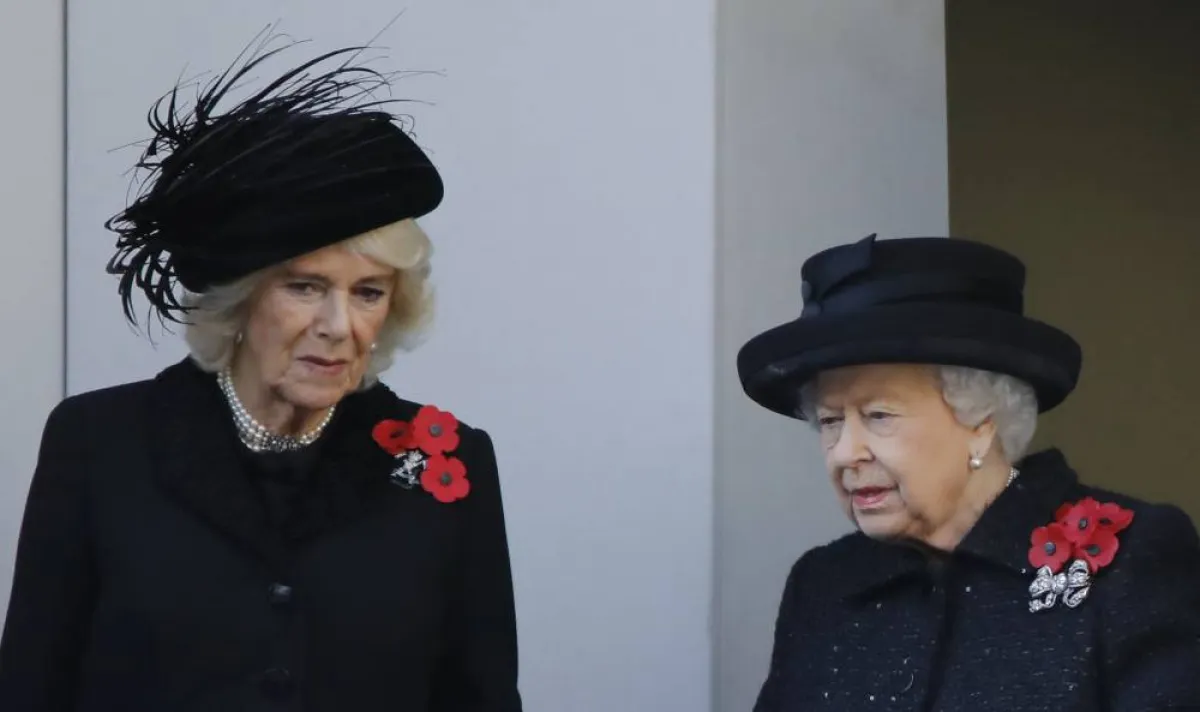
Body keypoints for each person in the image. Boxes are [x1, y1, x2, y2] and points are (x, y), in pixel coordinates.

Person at [0, 35, 522, 712]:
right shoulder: (99, 443)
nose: (339, 324)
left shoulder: (447, 461)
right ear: (240, 300)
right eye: (306, 287)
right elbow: (30, 687)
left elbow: (479, 699)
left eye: (368, 292)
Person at [737, 234, 1200, 710]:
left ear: (981, 421)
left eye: (879, 415)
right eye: (831, 422)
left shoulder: (1130, 560)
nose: (844, 453)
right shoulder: (824, 583)